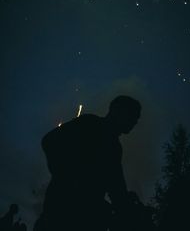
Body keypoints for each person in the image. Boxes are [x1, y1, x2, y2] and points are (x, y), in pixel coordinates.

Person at [34, 96, 141, 231]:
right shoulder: (90, 124)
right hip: (62, 212)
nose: (135, 121)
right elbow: (50, 141)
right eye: (132, 115)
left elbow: (116, 186)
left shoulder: (114, 147)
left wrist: (124, 203)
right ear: (117, 110)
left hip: (84, 218)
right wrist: (68, 180)